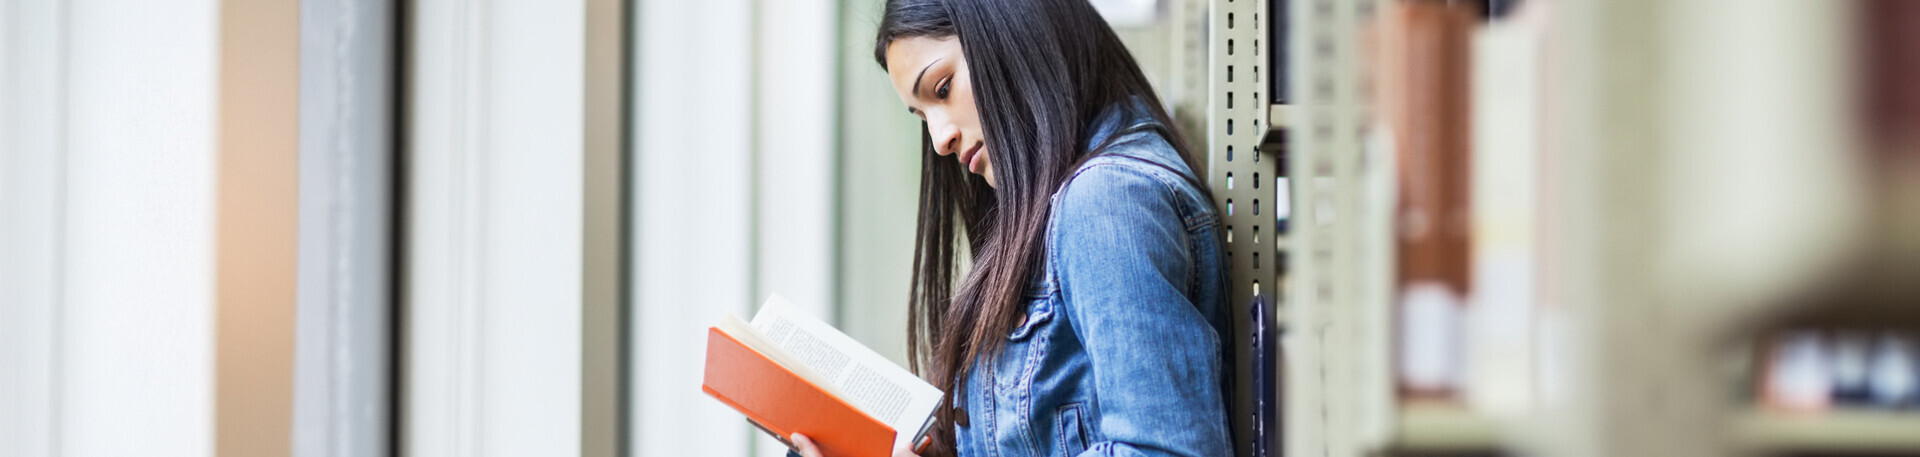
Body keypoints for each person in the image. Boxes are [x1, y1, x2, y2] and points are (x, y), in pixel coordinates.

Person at [792, 0, 1232, 455]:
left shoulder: (1106, 200)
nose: (940, 140)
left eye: (942, 88)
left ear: (1012, 31)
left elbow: (1167, 450)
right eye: (923, 117)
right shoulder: (1066, 204)